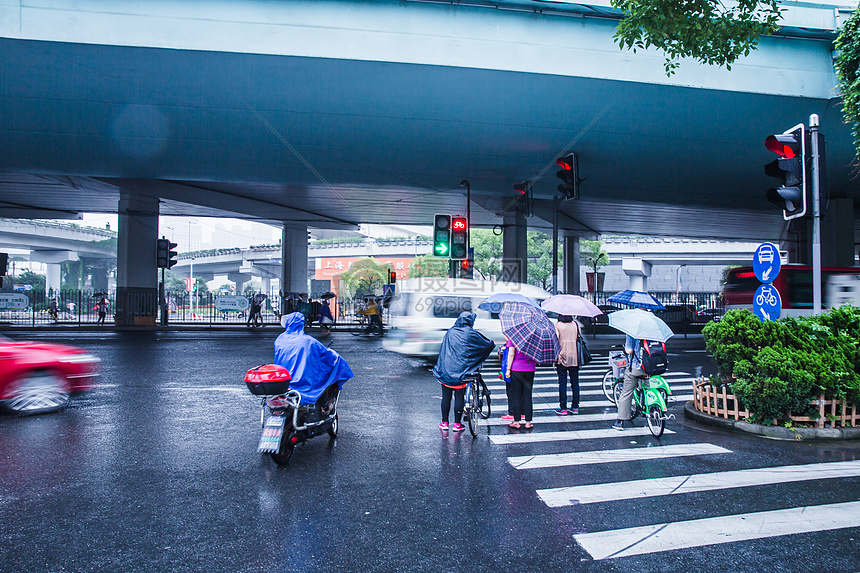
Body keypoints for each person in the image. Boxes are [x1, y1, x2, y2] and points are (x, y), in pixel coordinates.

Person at [432, 312, 495, 432]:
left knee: (446, 397)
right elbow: (486, 344)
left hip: (445, 370)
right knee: (459, 396)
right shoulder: (470, 333)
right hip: (460, 371)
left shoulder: (450, 331)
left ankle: (444, 422)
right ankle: (457, 424)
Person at [274, 312, 354, 405]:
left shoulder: (279, 339)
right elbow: (324, 352)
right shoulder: (308, 341)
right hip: (302, 382)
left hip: (283, 380)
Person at [613, 334, 645, 431]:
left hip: (637, 367)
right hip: (651, 367)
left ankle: (620, 421)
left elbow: (629, 350)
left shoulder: (633, 333)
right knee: (648, 388)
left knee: (626, 392)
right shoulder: (652, 332)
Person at [505, 337, 536, 429]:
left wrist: (508, 369)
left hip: (516, 368)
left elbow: (511, 354)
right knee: (527, 395)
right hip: (530, 368)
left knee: (516, 395)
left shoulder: (514, 337)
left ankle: (516, 421)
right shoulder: (534, 339)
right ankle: (528, 422)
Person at [554, 315, 581, 415]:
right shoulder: (575, 324)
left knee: (562, 382)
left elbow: (555, 340)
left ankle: (563, 407)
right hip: (574, 356)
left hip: (562, 356)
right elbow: (578, 337)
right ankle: (575, 407)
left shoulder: (558, 325)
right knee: (575, 383)